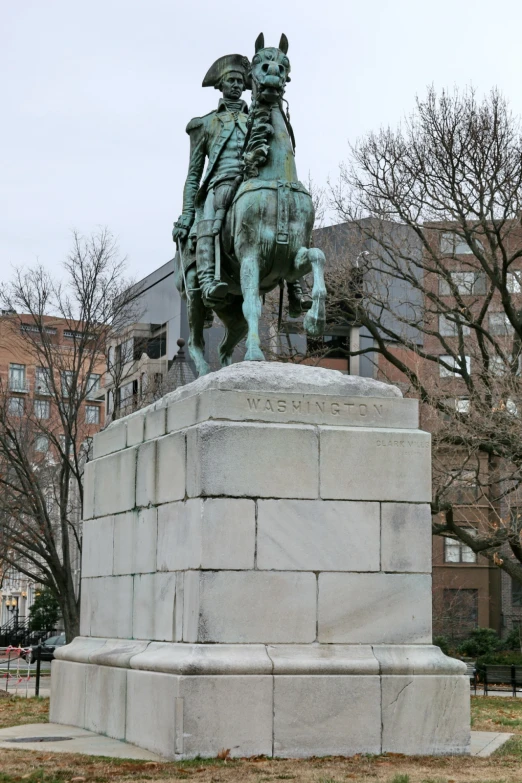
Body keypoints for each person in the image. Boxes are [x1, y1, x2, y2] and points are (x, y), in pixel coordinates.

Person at [172, 53, 311, 315]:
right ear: (221, 86)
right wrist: (187, 213)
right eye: (231, 80)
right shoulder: (205, 123)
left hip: (254, 181)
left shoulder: (257, 117)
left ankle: (296, 284)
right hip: (220, 184)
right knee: (210, 215)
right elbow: (193, 175)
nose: (236, 86)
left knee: (291, 207)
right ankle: (208, 279)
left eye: (240, 81)